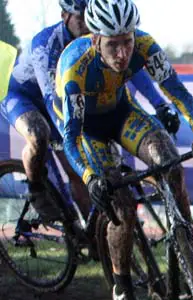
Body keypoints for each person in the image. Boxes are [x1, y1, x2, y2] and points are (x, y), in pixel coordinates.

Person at [56, 0, 193, 300]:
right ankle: (123, 288)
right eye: (112, 45)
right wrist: (90, 178)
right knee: (123, 207)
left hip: (121, 114)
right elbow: (71, 137)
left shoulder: (145, 46)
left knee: (171, 166)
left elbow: (177, 93)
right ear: (95, 40)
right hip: (87, 131)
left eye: (126, 42)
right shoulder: (76, 69)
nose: (122, 54)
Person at [0, 0, 179, 219]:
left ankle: (92, 235)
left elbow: (134, 70)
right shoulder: (46, 44)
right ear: (64, 16)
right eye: (81, 19)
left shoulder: (98, 41)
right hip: (25, 96)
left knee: (79, 173)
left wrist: (159, 104)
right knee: (40, 134)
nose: (88, 25)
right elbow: (50, 98)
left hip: (63, 100)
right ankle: (36, 188)